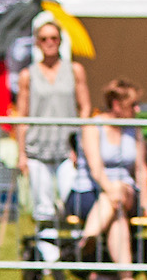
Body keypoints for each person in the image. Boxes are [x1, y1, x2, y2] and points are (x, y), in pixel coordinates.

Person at [14, 14, 91, 264]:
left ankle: (77, 255)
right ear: (37, 42)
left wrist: (80, 143)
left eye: (54, 38)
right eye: (44, 38)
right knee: (43, 206)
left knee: (74, 204)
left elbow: (85, 107)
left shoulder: (75, 70)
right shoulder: (28, 75)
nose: (49, 43)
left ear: (60, 41)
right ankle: (50, 260)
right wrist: (21, 154)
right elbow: (22, 116)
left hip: (67, 149)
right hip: (38, 148)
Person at [79, 78, 147, 280]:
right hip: (90, 191)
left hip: (125, 192)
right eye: (133, 104)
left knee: (120, 192)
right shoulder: (93, 126)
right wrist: (111, 190)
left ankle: (89, 237)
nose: (137, 109)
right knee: (117, 214)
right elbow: (96, 168)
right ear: (116, 104)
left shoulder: (134, 129)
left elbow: (141, 169)